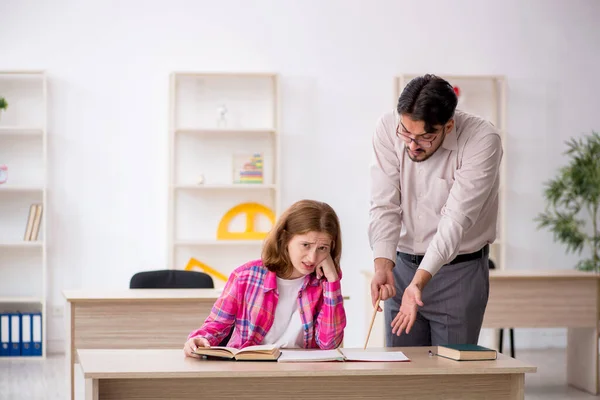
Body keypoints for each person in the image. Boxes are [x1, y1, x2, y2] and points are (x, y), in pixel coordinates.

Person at [368, 74, 503, 347]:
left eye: (425, 137)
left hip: (459, 274)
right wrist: (383, 263)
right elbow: (384, 204)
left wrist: (419, 283)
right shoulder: (387, 127)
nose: (412, 145)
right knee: (402, 372)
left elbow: (455, 220)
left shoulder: (481, 139)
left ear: (448, 126)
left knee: (452, 379)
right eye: (405, 133)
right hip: (401, 268)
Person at [184, 199, 346, 357]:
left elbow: (329, 344)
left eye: (322, 248)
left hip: (302, 372)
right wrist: (200, 339)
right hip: (248, 370)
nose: (312, 257)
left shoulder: (324, 284)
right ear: (285, 239)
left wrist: (332, 282)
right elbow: (217, 325)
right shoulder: (245, 276)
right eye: (306, 245)